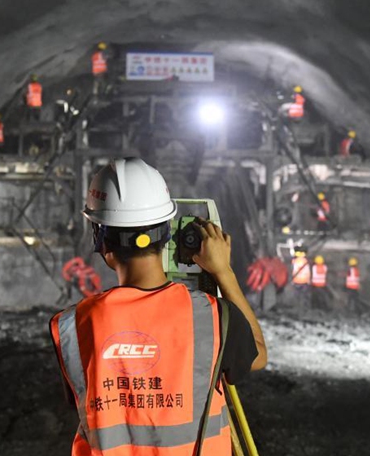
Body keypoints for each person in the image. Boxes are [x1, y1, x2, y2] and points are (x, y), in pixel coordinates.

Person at [49, 157, 267, 455]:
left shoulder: (71, 325)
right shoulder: (214, 317)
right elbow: (258, 355)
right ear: (167, 232)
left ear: (100, 239)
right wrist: (223, 272)